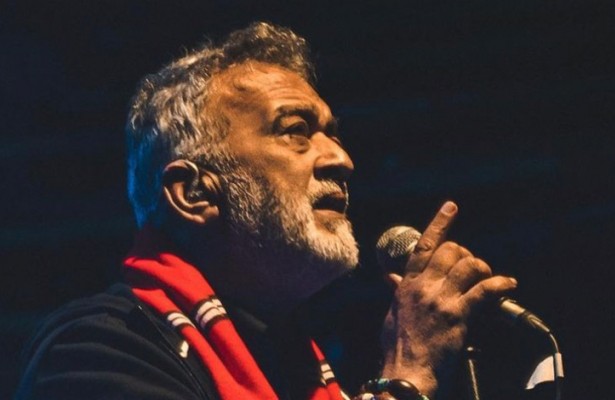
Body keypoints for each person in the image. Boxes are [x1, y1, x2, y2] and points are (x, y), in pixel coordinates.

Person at [15, 22, 517, 400]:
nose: (342, 159)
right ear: (194, 193)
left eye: (331, 133)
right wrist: (408, 374)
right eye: (295, 130)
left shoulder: (298, 361)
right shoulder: (97, 351)